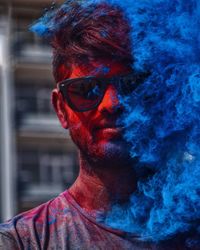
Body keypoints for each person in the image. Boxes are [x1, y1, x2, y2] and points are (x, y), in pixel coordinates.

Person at [0, 1, 197, 249]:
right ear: (61, 109)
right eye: (86, 89)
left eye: (132, 84)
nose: (111, 104)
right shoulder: (22, 241)